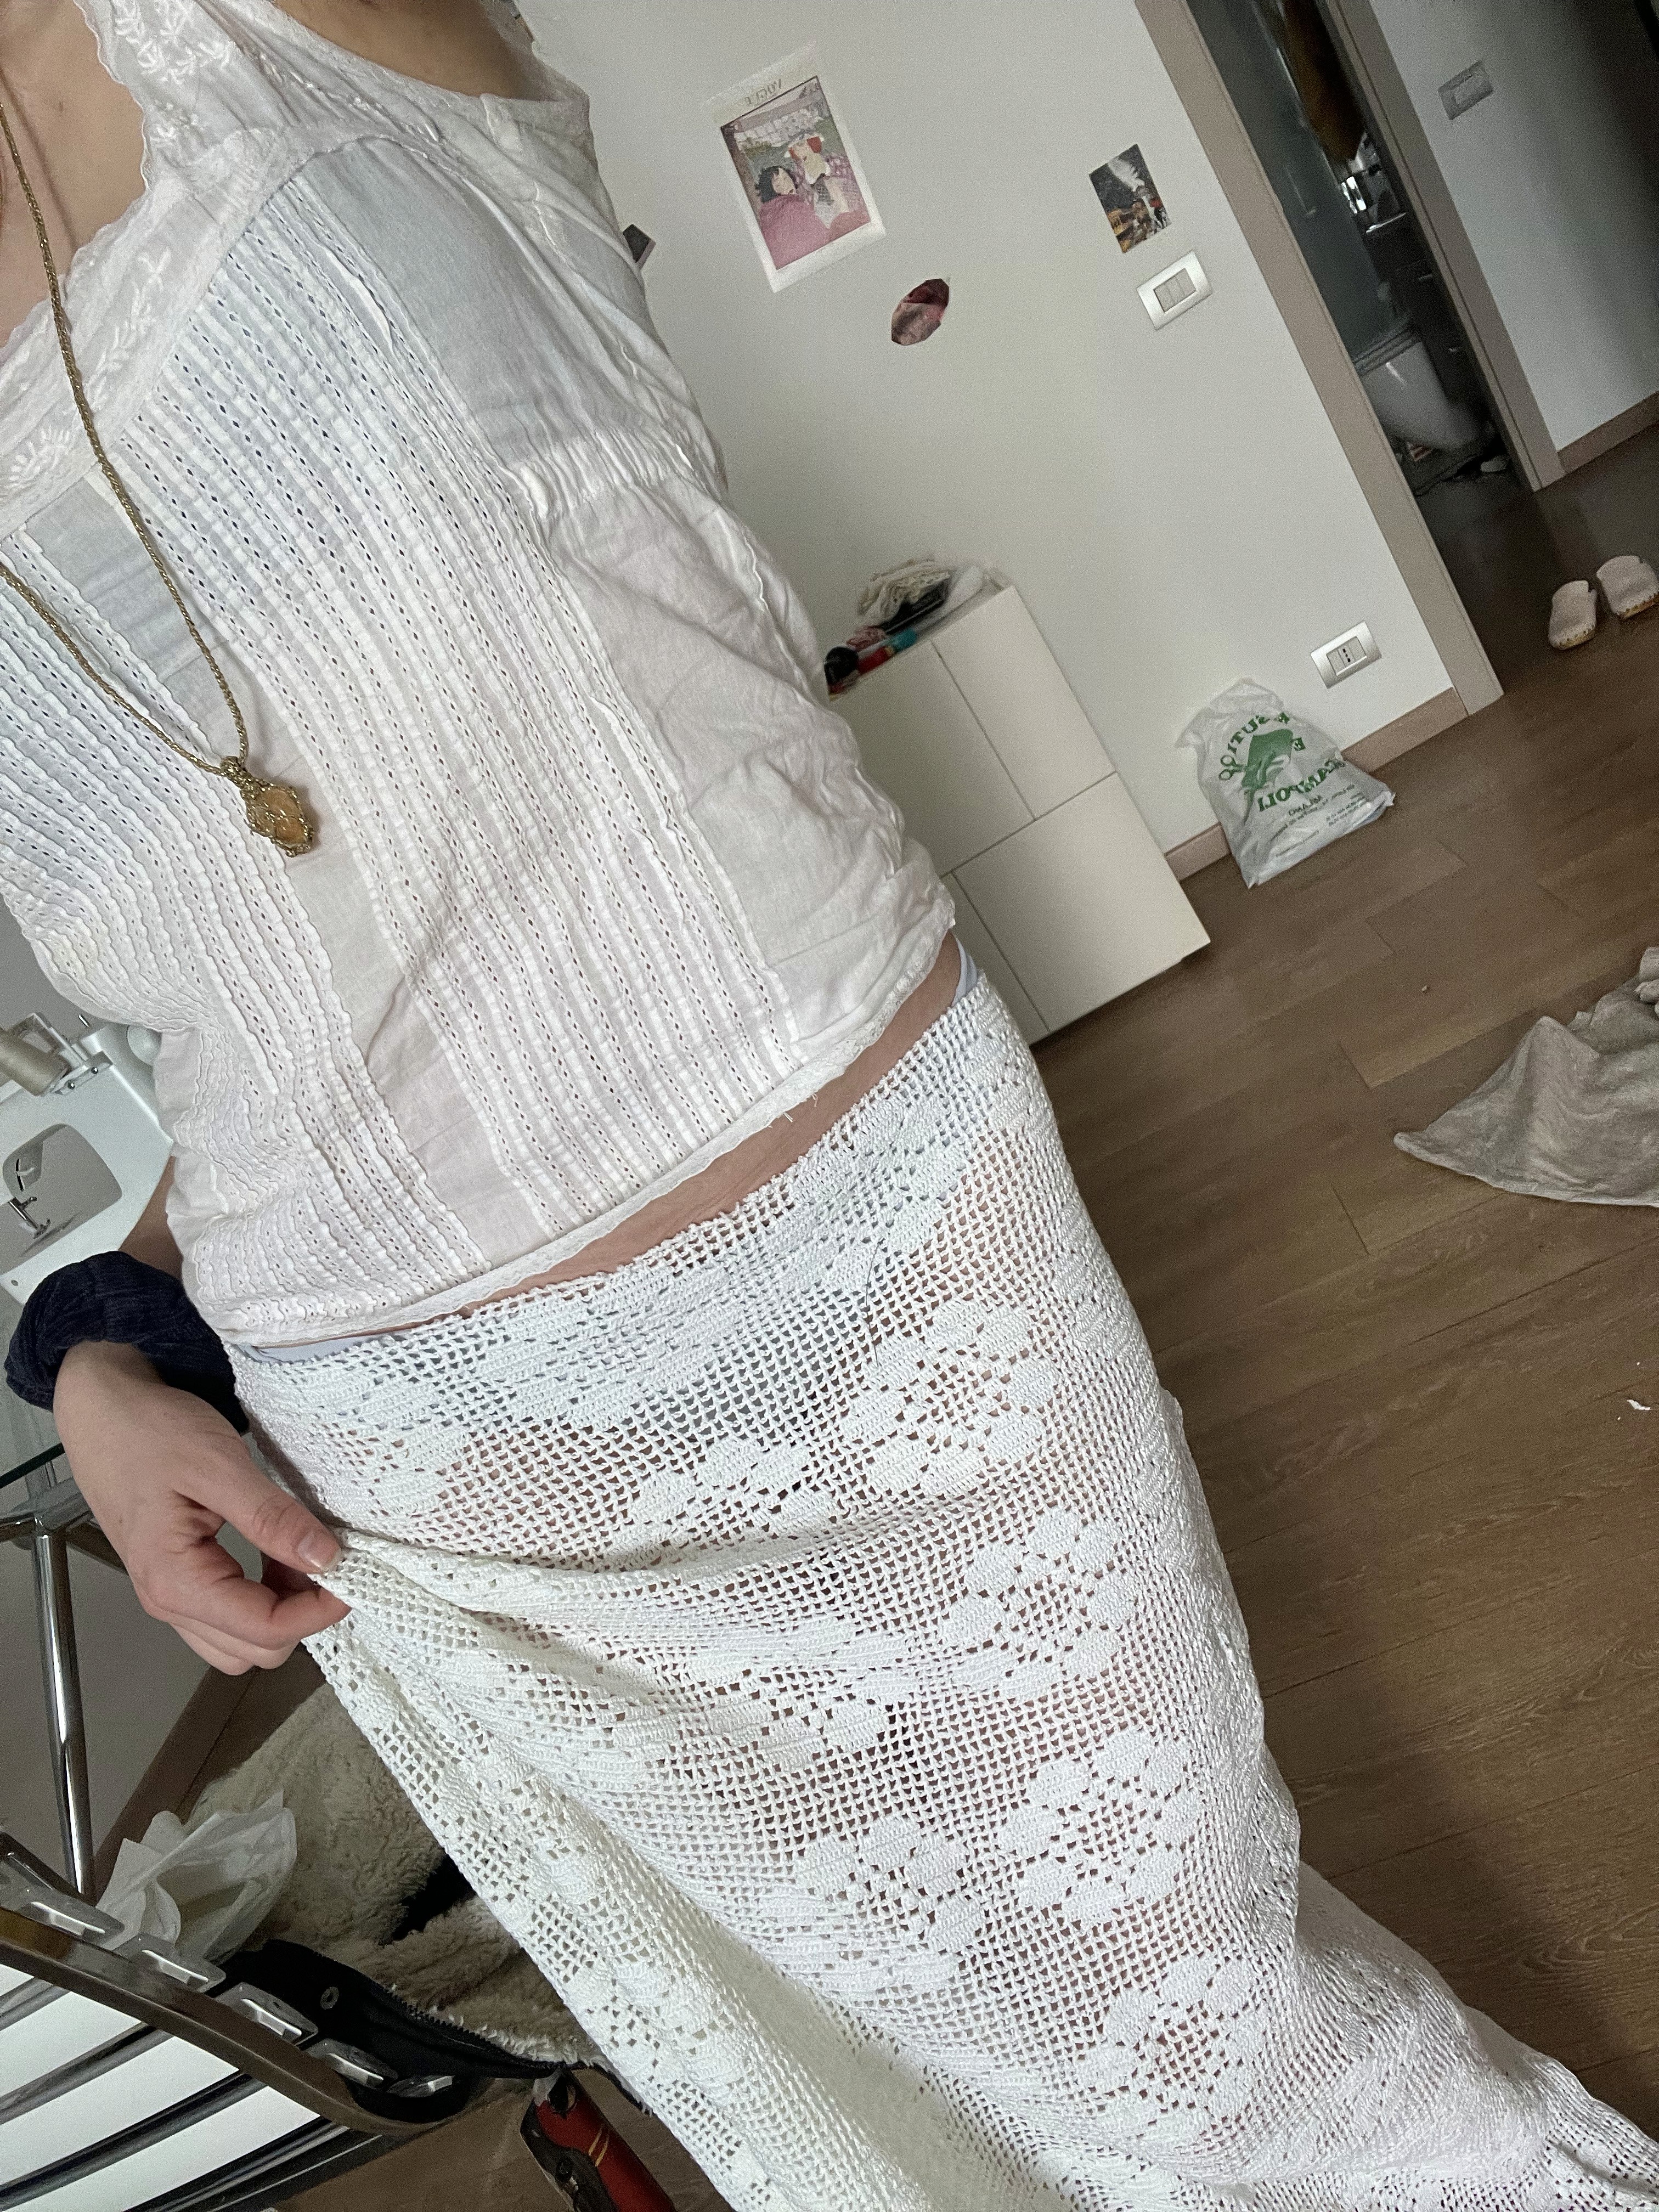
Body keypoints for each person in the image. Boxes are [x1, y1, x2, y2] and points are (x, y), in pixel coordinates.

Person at [4, 2, 1658, 2204]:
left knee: (1202, 2047)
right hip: (428, 1463)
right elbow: (249, 991)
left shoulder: (260, 36)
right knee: (916, 2098)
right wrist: (92, 1346)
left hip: (873, 1265)